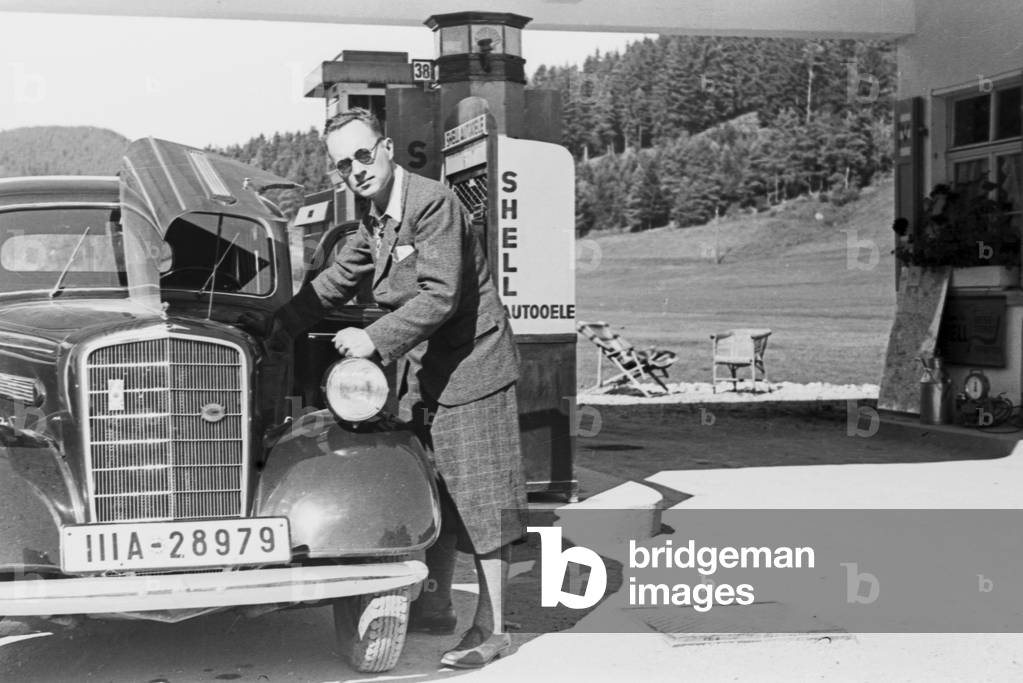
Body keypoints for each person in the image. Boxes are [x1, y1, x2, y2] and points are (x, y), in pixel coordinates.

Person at [258, 108, 526, 669]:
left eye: (362, 155)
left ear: (385, 149)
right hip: (427, 374)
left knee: (480, 498)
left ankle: (494, 629)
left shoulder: (431, 203)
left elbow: (441, 295)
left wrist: (373, 339)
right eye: (342, 165)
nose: (355, 170)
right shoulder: (374, 217)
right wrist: (274, 324)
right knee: (436, 491)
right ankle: (437, 607)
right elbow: (336, 279)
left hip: (473, 370)